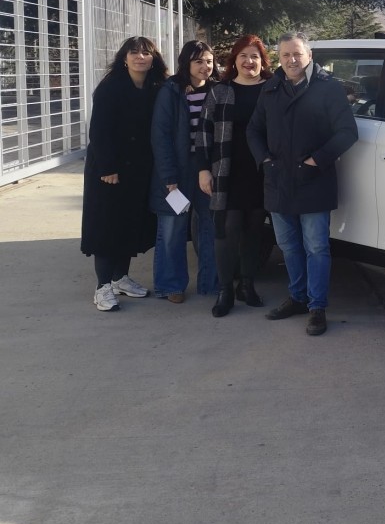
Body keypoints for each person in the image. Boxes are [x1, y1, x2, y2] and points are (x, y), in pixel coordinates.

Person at [248, 32, 358, 336]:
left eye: (297, 54)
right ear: (278, 58)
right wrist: (264, 160)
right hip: (278, 180)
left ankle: (317, 306)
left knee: (317, 247)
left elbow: (347, 132)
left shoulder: (328, 88)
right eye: (285, 56)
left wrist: (316, 160)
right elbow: (253, 130)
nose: (291, 60)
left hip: (313, 180)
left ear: (308, 55)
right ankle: (296, 298)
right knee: (288, 246)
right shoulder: (270, 88)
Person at [82, 36, 168, 311]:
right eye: (134, 52)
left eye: (146, 52)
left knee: (130, 223)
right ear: (124, 57)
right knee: (108, 227)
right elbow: (99, 131)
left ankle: (120, 277)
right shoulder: (111, 87)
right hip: (110, 171)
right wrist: (108, 168)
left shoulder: (156, 87)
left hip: (140, 170)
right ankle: (103, 286)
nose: (140, 57)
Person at [196, 34, 272, 318]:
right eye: (243, 55)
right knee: (226, 232)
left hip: (260, 173)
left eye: (254, 56)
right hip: (226, 172)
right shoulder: (220, 91)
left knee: (254, 231)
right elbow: (204, 132)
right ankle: (225, 289)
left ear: (262, 60)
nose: (248, 61)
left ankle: (247, 285)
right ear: (234, 60)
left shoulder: (273, 89)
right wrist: (203, 169)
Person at [149, 40, 218, 303]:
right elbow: (161, 135)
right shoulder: (172, 90)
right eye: (199, 61)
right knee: (172, 228)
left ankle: (210, 283)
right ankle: (170, 285)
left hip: (207, 170)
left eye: (209, 61)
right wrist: (169, 177)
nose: (205, 66)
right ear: (186, 63)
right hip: (177, 171)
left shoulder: (217, 89)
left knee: (211, 228)